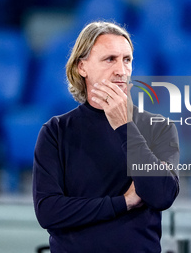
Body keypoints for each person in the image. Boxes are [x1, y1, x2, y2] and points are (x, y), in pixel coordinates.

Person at [33, 21, 180, 253]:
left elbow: (161, 196)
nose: (121, 70)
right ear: (82, 67)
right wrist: (123, 202)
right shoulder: (56, 131)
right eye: (110, 59)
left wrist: (124, 126)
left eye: (127, 59)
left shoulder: (158, 127)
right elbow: (48, 212)